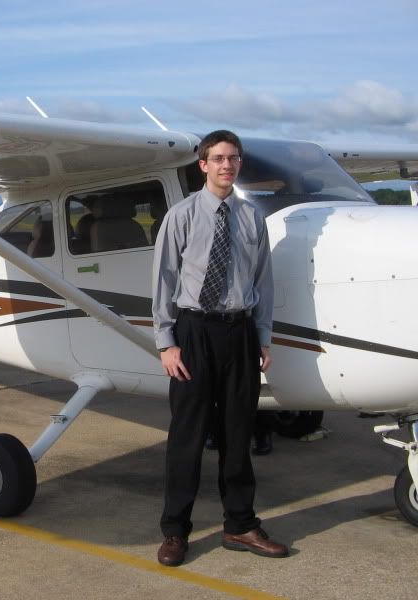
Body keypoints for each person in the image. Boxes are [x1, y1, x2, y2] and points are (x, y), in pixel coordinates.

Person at [151, 130, 288, 567]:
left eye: (233, 158)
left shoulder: (251, 218)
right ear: (203, 165)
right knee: (187, 437)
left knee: (238, 434)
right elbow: (164, 282)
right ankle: (175, 532)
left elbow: (263, 282)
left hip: (239, 332)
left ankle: (240, 525)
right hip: (193, 333)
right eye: (219, 158)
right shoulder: (182, 216)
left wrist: (262, 336)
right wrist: (166, 343)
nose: (227, 165)